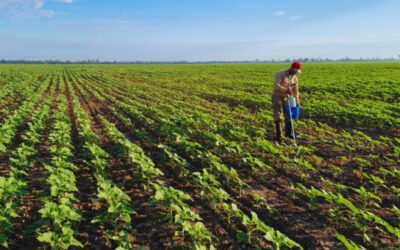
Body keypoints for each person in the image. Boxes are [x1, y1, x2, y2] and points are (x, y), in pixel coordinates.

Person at [271, 61, 301, 141]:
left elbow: (296, 91)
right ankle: (279, 135)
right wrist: (285, 90)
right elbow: (275, 85)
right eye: (295, 71)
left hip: (287, 97)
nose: (295, 73)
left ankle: (289, 133)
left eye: (297, 71)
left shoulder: (295, 78)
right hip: (277, 95)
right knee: (278, 113)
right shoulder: (281, 74)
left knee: (289, 114)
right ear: (291, 68)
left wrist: (297, 102)